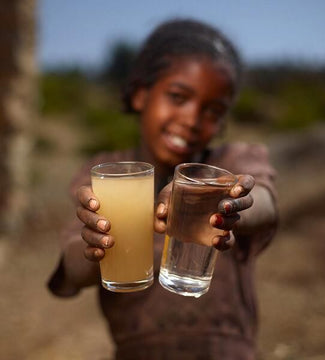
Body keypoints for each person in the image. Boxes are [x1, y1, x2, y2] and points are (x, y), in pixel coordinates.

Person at [48, 18, 278, 360]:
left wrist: (225, 204)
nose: (192, 119)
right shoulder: (106, 174)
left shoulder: (233, 161)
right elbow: (71, 269)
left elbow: (264, 202)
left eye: (213, 111)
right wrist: (92, 245)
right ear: (141, 94)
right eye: (178, 97)